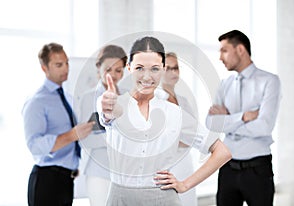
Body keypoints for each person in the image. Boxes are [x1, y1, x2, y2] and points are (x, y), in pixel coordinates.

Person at [99, 36, 232, 206]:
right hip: (120, 199)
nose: (147, 77)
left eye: (154, 69)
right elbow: (110, 113)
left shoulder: (175, 113)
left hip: (163, 199)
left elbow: (222, 152)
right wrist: (109, 105)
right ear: (129, 67)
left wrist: (185, 184)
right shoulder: (113, 103)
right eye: (139, 68)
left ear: (163, 69)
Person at [205, 30, 281, 206]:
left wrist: (228, 120)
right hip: (227, 168)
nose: (220, 57)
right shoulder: (225, 85)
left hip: (257, 170)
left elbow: (264, 127)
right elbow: (211, 123)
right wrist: (243, 117)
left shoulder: (270, 81)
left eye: (224, 50)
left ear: (240, 49)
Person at [22, 42, 94, 206]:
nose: (65, 69)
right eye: (58, 65)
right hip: (46, 180)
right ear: (44, 68)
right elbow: (34, 145)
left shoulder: (68, 98)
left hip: (66, 181)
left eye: (67, 63)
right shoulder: (36, 102)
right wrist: (72, 135)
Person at [77, 44, 127, 206]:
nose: (113, 75)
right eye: (108, 69)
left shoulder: (128, 97)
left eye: (118, 70)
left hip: (127, 175)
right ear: (99, 68)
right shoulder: (88, 98)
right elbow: (86, 140)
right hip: (100, 174)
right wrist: (117, 137)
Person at [155, 52, 197, 206]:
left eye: (176, 68)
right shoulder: (155, 100)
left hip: (185, 163)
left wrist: (179, 138)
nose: (173, 72)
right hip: (166, 165)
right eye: (168, 68)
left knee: (188, 200)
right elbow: (156, 136)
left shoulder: (184, 101)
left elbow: (194, 134)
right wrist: (180, 138)